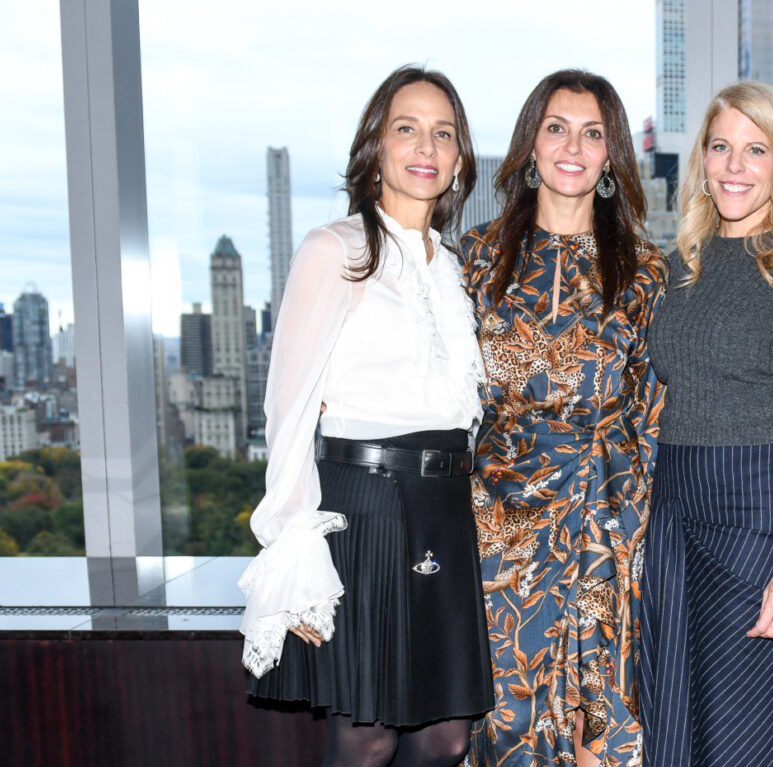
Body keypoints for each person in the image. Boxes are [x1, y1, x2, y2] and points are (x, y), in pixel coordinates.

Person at [239, 65, 492, 767]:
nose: (426, 145)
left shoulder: (453, 264)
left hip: (444, 505)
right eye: (406, 127)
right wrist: (294, 550)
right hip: (365, 508)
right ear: (375, 146)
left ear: (460, 157)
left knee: (447, 736)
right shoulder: (334, 249)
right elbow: (286, 409)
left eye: (444, 133)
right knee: (367, 733)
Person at [638, 81, 773, 767]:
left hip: (755, 518)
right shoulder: (674, 271)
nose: (734, 165)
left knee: (744, 738)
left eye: (755, 149)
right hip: (671, 513)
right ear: (700, 158)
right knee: (674, 722)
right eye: (721, 146)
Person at [460, 70, 664, 767]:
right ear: (530, 145)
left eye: (593, 132)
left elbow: (654, 412)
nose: (573, 145)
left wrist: (638, 533)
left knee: (598, 725)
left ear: (612, 156)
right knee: (504, 717)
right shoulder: (478, 258)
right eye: (557, 127)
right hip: (498, 529)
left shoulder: (645, 270)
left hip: (605, 522)